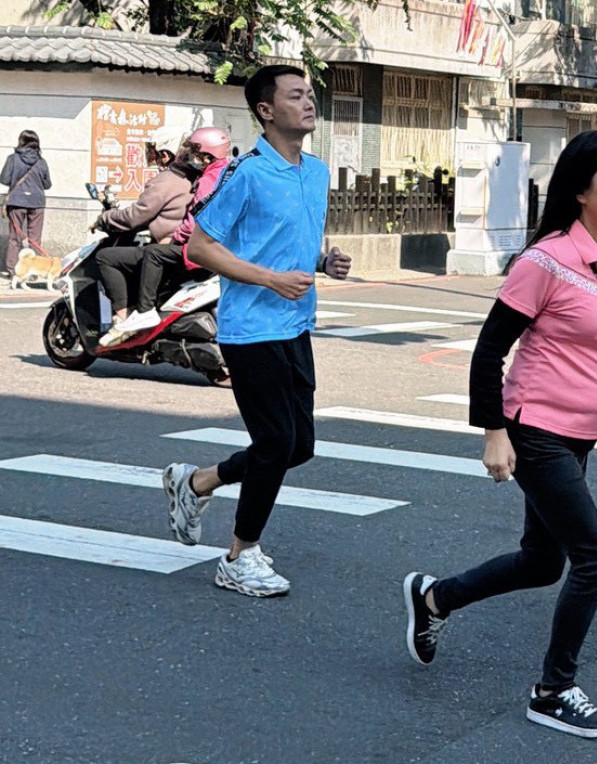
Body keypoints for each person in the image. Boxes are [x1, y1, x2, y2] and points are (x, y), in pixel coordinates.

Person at [402, 130, 597, 740]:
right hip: (535, 429)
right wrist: (494, 432)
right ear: (581, 192)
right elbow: (489, 350)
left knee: (543, 561)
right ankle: (553, 691)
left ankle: (435, 598)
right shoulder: (545, 261)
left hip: (582, 430)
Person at [159, 64, 352, 598]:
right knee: (275, 441)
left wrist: (322, 262)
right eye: (296, 95)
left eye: (309, 94)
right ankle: (239, 557)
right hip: (250, 329)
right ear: (266, 111)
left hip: (296, 324)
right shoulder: (245, 174)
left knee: (299, 446)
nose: (309, 103)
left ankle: (197, 481)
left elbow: (281, 241)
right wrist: (269, 279)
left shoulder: (316, 172)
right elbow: (200, 248)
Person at [98, 127, 233, 346]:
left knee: (145, 254)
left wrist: (175, 237)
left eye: (196, 152)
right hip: (221, 246)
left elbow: (192, 220)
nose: (192, 156)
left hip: (201, 249)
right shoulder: (225, 173)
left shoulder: (201, 179)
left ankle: (141, 312)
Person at [93, 127, 197, 333]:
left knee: (105, 257)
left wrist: (104, 219)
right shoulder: (195, 177)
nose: (154, 158)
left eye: (155, 153)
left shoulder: (166, 180)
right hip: (191, 246)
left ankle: (122, 319)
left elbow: (135, 216)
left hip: (171, 246)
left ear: (166, 154)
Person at [1, 130, 53, 279]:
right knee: (34, 238)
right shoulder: (41, 161)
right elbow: (47, 184)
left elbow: (4, 179)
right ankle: (33, 271)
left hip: (16, 201)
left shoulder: (12, 159)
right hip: (37, 202)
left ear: (21, 141)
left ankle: (13, 270)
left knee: (14, 237)